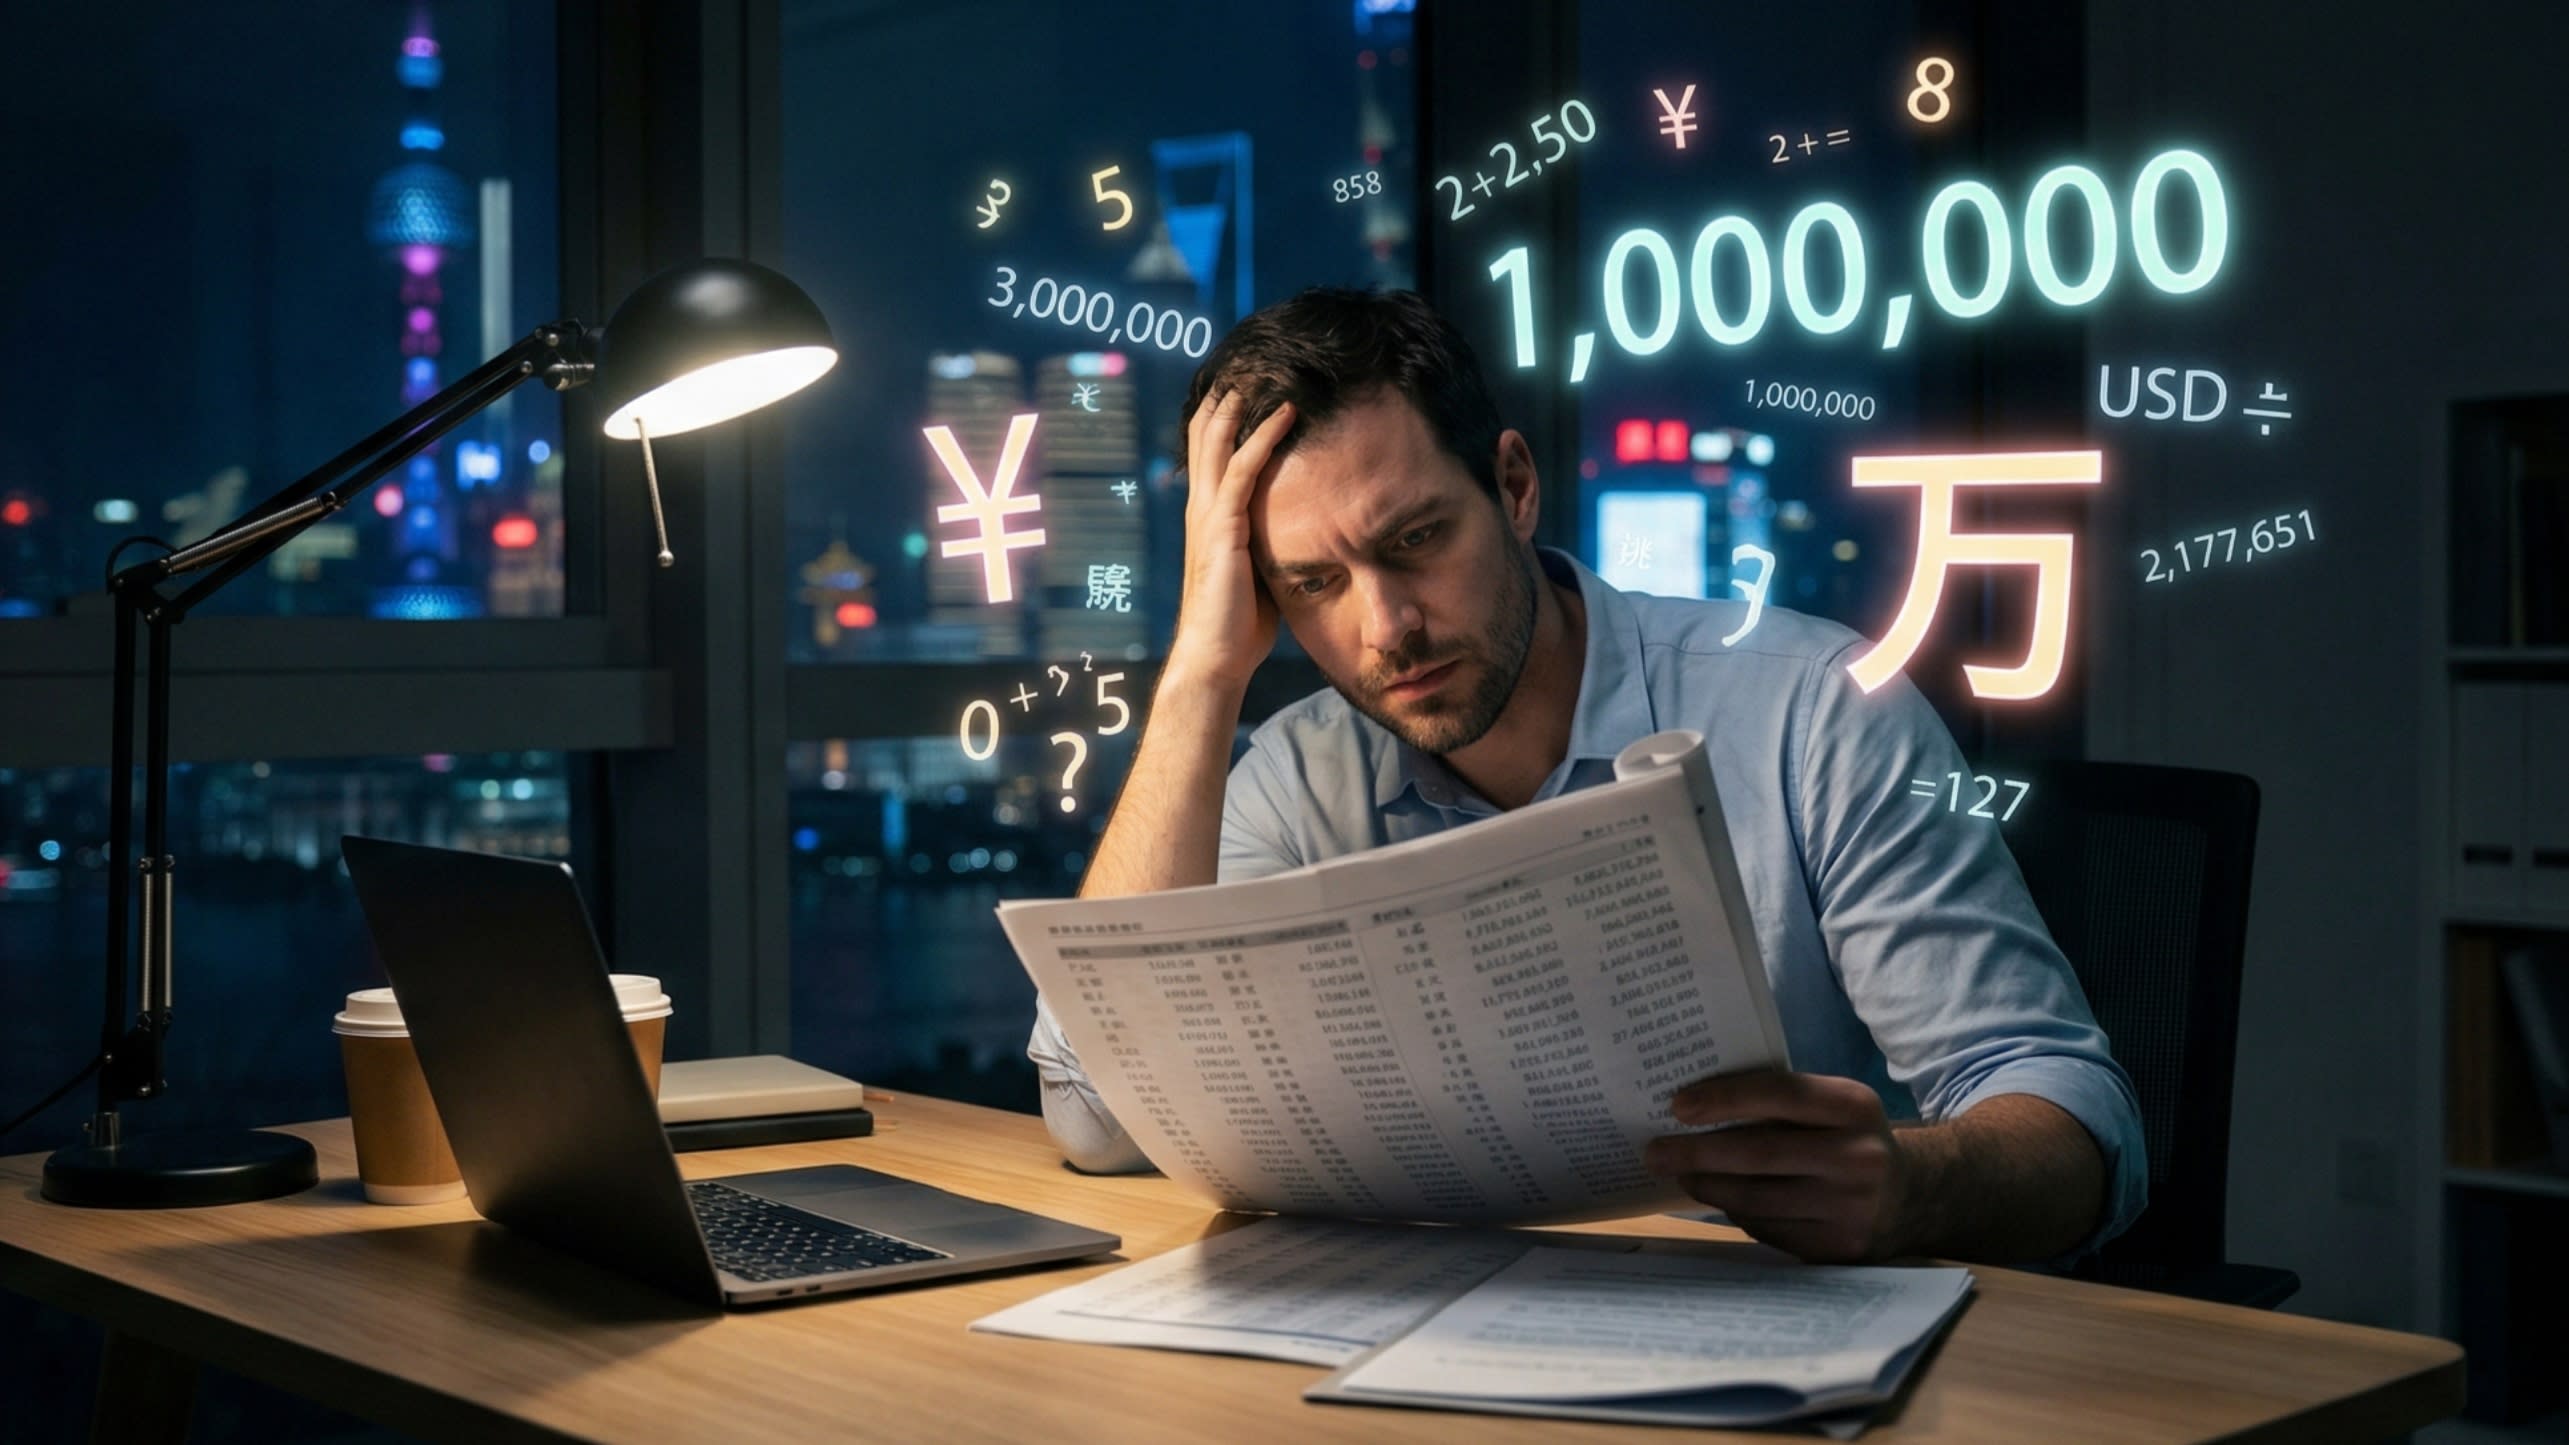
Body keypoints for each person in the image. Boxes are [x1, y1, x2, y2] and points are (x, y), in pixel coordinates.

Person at [1025, 287, 2144, 1266]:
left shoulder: (1812, 706)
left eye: (1415, 539)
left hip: (1777, 1332)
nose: (1387, 628)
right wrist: (1200, 676)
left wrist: (1912, 1184)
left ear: (1512, 486)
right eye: (1312, 582)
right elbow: (1095, 1115)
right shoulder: (1297, 775)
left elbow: (2077, 1124)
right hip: (1423, 1347)